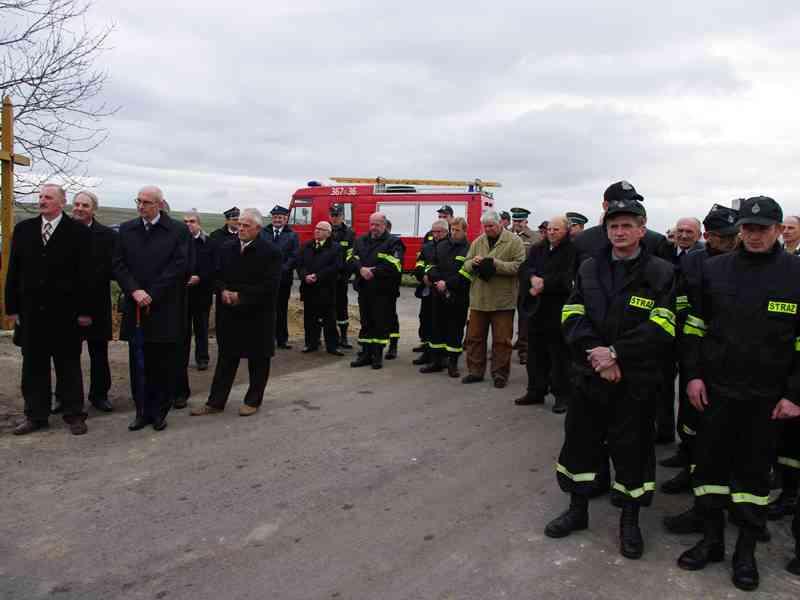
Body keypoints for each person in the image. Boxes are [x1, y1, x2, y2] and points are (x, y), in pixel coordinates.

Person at [677, 196, 800, 591]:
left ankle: (745, 552)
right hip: (715, 391)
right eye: (748, 228)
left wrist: (795, 394)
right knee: (710, 469)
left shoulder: (795, 273)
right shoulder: (715, 270)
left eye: (762, 228)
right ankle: (712, 541)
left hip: (766, 398)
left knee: (753, 477)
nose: (754, 235)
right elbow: (695, 327)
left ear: (779, 230)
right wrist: (693, 377)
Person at [545, 194, 675, 561]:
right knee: (580, 445)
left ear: (641, 229)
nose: (619, 231)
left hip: (634, 382)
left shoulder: (661, 272)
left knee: (632, 452)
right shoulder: (588, 267)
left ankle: (629, 522)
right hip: (589, 375)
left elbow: (663, 325)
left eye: (627, 225)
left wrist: (617, 353)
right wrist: (598, 355)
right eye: (613, 225)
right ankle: (577, 510)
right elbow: (572, 313)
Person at [660, 205, 740, 501]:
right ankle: (688, 461)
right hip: (693, 342)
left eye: (733, 235)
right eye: (723, 236)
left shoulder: (741, 261)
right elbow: (680, 296)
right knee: (692, 407)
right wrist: (685, 327)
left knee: (721, 419)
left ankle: (720, 475)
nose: (730, 241)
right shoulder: (694, 261)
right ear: (709, 236)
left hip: (728, 350)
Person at [6, 184, 93, 435]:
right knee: (33, 367)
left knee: (68, 366)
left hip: (66, 314)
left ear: (61, 203)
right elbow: (13, 271)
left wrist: (85, 311)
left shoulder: (77, 232)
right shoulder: (24, 229)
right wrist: (12, 308)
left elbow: (86, 274)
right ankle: (35, 415)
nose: (42, 201)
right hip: (31, 313)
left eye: (48, 197)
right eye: (41, 197)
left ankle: (74, 414)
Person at [113, 185, 190, 431]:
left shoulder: (177, 230)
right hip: (135, 306)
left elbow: (180, 266)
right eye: (139, 201)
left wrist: (152, 293)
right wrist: (134, 290)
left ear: (159, 204)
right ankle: (141, 411)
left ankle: (159, 411)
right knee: (138, 363)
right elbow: (118, 264)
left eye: (146, 202)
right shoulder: (127, 230)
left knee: (162, 362)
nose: (141, 206)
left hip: (164, 307)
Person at [191, 209, 281, 416]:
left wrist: (241, 296)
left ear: (258, 228)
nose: (241, 228)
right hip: (229, 312)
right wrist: (223, 290)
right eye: (239, 224)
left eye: (246, 225)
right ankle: (215, 402)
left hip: (257, 314)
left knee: (258, 359)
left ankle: (253, 400)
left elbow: (270, 286)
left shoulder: (270, 252)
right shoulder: (227, 247)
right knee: (226, 358)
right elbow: (217, 274)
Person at [62, 191, 116, 414]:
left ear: (94, 209)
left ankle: (99, 395)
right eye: (76, 204)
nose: (79, 208)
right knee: (65, 355)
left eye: (85, 205)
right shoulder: (61, 232)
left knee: (98, 354)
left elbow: (113, 268)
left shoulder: (107, 235)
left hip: (97, 303)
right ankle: (64, 397)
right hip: (66, 305)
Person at [515, 215, 576, 413]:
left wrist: (545, 284)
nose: (551, 232)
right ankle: (535, 391)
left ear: (566, 231)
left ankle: (562, 396)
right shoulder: (538, 248)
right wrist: (532, 278)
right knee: (535, 354)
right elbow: (524, 267)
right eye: (549, 229)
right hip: (535, 310)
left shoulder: (572, 251)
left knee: (559, 356)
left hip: (557, 310)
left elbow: (569, 278)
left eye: (556, 229)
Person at [460, 210, 526, 388]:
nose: (487, 229)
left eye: (491, 226)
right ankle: (475, 371)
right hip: (479, 299)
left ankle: (500, 374)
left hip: (502, 301)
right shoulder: (477, 242)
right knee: (474, 338)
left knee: (502, 341)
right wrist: (472, 263)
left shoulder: (514, 241)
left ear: (501, 224)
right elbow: (465, 264)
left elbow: (519, 266)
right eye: (485, 226)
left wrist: (495, 264)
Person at [347, 212, 404, 370]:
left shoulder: (394, 242)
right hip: (364, 288)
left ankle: (377, 356)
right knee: (365, 322)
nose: (374, 228)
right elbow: (351, 258)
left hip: (383, 291)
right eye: (371, 224)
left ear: (384, 225)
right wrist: (361, 269)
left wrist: (374, 271)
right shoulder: (360, 241)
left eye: (377, 225)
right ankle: (365, 354)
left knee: (379, 323)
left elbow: (395, 265)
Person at [572, 181, 668, 268]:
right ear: (605, 205)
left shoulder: (656, 241)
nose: (628, 206)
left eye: (633, 201)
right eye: (622, 202)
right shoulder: (583, 240)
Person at [416, 218, 469, 375]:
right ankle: (436, 361)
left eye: (457, 230)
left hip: (457, 296)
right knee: (436, 327)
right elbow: (431, 265)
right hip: (437, 294)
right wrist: (437, 280)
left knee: (455, 330)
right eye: (452, 229)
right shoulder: (441, 246)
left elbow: (466, 273)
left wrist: (447, 284)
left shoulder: (469, 248)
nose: (454, 232)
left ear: (464, 231)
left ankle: (452, 364)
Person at [297, 221, 344, 355]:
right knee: (310, 318)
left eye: (321, 229)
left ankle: (332, 346)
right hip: (308, 288)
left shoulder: (336, 248)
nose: (317, 231)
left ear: (328, 233)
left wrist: (317, 276)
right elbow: (299, 264)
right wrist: (305, 276)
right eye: (316, 228)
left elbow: (336, 266)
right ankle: (311, 343)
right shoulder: (306, 246)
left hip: (326, 289)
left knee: (329, 319)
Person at [261, 205, 299, 349]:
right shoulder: (264, 233)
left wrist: (282, 269)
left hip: (283, 279)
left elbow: (294, 256)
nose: (278, 220)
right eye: (275, 217)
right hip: (265, 279)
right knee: (265, 309)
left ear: (285, 219)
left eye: (281, 217)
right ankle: (265, 339)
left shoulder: (292, 235)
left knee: (281, 309)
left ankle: (282, 339)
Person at [411, 220, 448, 367]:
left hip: (441, 290)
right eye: (434, 232)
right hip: (427, 289)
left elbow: (446, 268)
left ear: (446, 232)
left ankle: (440, 356)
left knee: (439, 323)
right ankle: (427, 351)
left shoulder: (449, 247)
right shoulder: (427, 247)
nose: (437, 235)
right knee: (425, 319)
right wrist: (423, 275)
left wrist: (432, 277)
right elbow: (419, 263)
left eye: (440, 232)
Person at [182, 211, 214, 371]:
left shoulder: (209, 242)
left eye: (192, 221)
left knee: (201, 328)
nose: (188, 224)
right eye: (185, 221)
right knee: (183, 329)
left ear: (199, 223)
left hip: (202, 293)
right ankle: (182, 359)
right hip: (183, 293)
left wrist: (200, 277)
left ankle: (202, 358)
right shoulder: (178, 242)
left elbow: (214, 266)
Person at [510, 207, 541, 366]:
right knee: (504, 318)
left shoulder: (535, 238)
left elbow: (538, 261)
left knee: (524, 319)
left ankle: (524, 351)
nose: (517, 224)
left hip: (524, 284)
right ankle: (503, 349)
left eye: (520, 221)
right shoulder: (506, 235)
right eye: (514, 220)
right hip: (506, 284)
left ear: (526, 221)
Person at [330, 204, 356, 349]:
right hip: (327, 278)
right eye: (333, 215)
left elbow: (351, 255)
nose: (335, 218)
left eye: (337, 215)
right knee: (327, 307)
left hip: (341, 278)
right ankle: (330, 337)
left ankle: (344, 338)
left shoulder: (349, 233)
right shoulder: (325, 230)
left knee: (342, 307)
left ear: (342, 216)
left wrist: (345, 275)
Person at [384, 219, 405, 360]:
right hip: (372, 288)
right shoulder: (369, 241)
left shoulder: (394, 243)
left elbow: (396, 266)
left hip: (389, 288)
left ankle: (393, 346)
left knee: (390, 316)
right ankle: (371, 347)